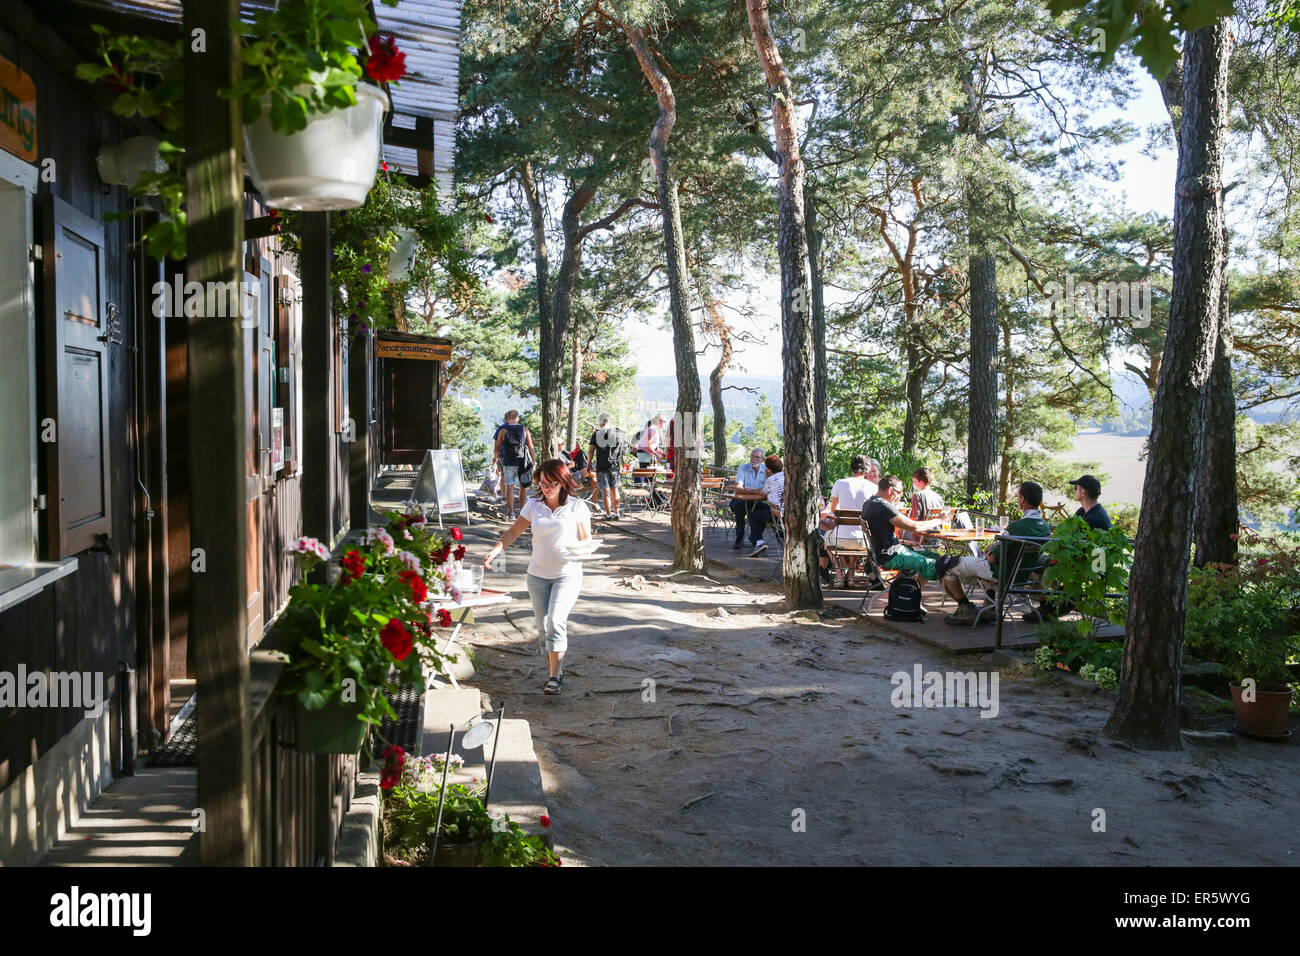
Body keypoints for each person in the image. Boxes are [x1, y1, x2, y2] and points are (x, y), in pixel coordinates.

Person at [483, 459, 592, 695]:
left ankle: (554, 677)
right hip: (537, 575)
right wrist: (496, 550)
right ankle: (556, 669)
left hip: (567, 575)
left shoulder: (577, 507)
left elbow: (586, 542)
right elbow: (514, 531)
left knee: (555, 621)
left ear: (563, 483)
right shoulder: (533, 505)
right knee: (543, 628)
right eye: (542, 483)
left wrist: (579, 551)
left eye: (552, 483)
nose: (547, 488)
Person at [939, 481, 1053, 626]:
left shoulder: (1017, 527)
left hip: (1001, 572)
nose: (1017, 499)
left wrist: (990, 551)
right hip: (1023, 573)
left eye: (1018, 496)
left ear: (1023, 499)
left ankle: (966, 609)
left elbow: (992, 559)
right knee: (983, 568)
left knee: (945, 564)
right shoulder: (1044, 528)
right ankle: (989, 608)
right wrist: (997, 545)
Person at [860, 475, 956, 581]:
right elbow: (915, 527)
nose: (900, 496)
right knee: (934, 564)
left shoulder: (869, 503)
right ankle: (959, 595)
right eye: (900, 492)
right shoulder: (884, 506)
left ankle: (915, 589)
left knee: (936, 557)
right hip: (890, 556)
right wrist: (939, 520)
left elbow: (880, 535)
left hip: (885, 553)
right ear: (891, 490)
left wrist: (904, 541)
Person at [820, 454, 875, 583]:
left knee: (826, 540)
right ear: (868, 469)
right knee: (855, 538)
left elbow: (834, 509)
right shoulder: (873, 487)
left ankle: (839, 574)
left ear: (852, 467)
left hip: (841, 538)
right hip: (864, 540)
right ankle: (851, 573)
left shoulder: (840, 483)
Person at [492, 410, 535, 520]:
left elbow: (497, 447)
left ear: (507, 419)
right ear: (517, 418)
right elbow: (531, 447)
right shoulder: (524, 429)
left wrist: (495, 459)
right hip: (522, 462)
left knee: (510, 487)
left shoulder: (503, 430)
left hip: (508, 462)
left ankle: (511, 513)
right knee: (523, 487)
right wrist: (533, 460)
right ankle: (522, 513)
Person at [588, 413, 626, 520]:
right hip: (615, 466)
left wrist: (588, 464)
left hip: (602, 466)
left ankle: (608, 514)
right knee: (615, 490)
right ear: (608, 421)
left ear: (601, 422)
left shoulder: (597, 433)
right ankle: (617, 513)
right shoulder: (618, 433)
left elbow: (591, 450)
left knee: (605, 491)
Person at [729, 447, 769, 550]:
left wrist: (749, 490)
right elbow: (738, 489)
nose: (754, 459)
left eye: (757, 457)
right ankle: (739, 536)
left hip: (757, 501)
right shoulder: (743, 468)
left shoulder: (766, 470)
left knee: (765, 510)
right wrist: (757, 490)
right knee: (739, 508)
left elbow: (767, 490)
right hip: (741, 500)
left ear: (762, 460)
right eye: (752, 456)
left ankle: (754, 538)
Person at [747, 454, 785, 557]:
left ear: (768, 469)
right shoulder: (786, 476)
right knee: (765, 512)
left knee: (752, 515)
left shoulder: (771, 480)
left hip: (777, 514)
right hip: (788, 514)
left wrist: (767, 477)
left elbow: (762, 496)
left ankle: (759, 543)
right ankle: (783, 542)